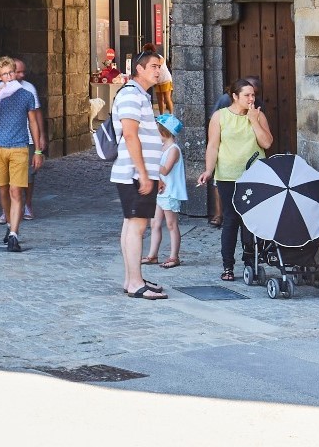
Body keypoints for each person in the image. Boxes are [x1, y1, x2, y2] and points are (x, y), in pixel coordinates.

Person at [196, 77, 274, 282]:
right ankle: (228, 266)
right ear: (235, 96)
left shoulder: (258, 115)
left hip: (254, 176)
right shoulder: (220, 117)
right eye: (247, 95)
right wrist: (208, 170)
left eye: (253, 95)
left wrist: (254, 121)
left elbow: (266, 143)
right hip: (228, 176)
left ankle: (251, 263)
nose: (251, 98)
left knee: (250, 221)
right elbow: (213, 146)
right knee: (231, 219)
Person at [111, 50, 167, 299]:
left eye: (160, 66)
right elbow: (131, 135)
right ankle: (134, 282)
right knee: (137, 227)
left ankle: (131, 278)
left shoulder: (140, 95)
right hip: (134, 173)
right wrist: (144, 174)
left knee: (131, 226)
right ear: (139, 69)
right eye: (154, 66)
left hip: (139, 172)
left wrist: (154, 174)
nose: (158, 70)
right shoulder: (132, 95)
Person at [0, 56, 41, 252]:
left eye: (11, 72)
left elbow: (33, 122)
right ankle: (8, 224)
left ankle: (14, 234)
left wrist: (38, 150)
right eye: (4, 74)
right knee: (3, 190)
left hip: (19, 148)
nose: (9, 77)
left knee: (16, 191)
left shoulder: (26, 95)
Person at [142, 113, 186, 269]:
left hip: (170, 191)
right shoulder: (162, 147)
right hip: (160, 192)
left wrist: (151, 162)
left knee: (171, 224)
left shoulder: (173, 149)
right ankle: (152, 255)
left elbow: (165, 170)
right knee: (155, 223)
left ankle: (174, 256)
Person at [11, 58, 42, 221]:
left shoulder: (29, 89)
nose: (22, 75)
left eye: (24, 71)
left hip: (28, 139)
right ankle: (9, 207)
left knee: (29, 176)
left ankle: (27, 203)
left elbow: (36, 115)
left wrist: (40, 139)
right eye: (18, 72)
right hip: (8, 140)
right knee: (8, 177)